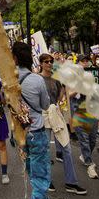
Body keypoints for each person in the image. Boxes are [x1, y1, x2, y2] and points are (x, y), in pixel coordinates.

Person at [15, 42, 59, 199]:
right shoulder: (36, 79)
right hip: (37, 133)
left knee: (37, 179)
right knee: (41, 182)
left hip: (20, 136)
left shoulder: (8, 80)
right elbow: (45, 104)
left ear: (14, 58)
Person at [39, 53, 86, 188]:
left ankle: (71, 182)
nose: (49, 64)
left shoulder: (56, 79)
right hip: (45, 115)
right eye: (46, 61)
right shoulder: (38, 79)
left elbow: (61, 99)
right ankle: (47, 180)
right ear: (41, 64)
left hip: (56, 113)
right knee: (46, 149)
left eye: (51, 61)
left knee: (67, 148)